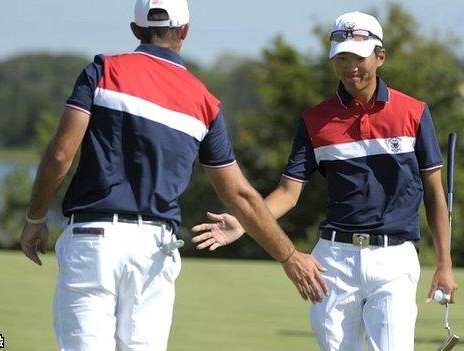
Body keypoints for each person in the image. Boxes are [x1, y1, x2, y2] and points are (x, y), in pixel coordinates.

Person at [19, 1, 327, 349]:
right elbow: (240, 196)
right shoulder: (205, 102)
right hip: (155, 249)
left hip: (93, 239)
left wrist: (35, 217)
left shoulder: (103, 71)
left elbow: (60, 155)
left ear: (136, 30)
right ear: (185, 31)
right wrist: (289, 256)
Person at [191, 11, 458, 351]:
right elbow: (289, 193)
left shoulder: (414, 112)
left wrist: (444, 265)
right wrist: (244, 222)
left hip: (395, 258)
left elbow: (434, 194)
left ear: (380, 56)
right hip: (334, 260)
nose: (350, 68)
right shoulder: (315, 120)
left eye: (359, 58)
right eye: (341, 58)